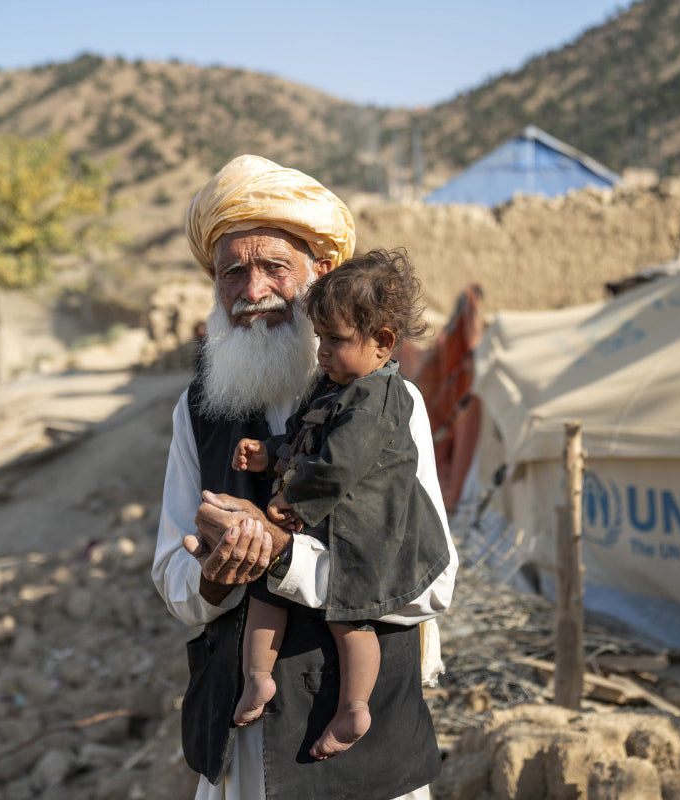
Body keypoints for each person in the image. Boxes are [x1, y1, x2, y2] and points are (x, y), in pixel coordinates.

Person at [150, 154, 458, 800]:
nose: (253, 289)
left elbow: (431, 584)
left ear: (320, 275)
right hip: (243, 759)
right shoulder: (198, 410)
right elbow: (173, 585)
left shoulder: (386, 404)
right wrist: (213, 572)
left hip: (362, 763)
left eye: (273, 267)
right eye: (232, 271)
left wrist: (285, 557)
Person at [230, 249, 450, 762]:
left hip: (366, 536)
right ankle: (258, 679)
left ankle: (355, 709)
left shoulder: (380, 399)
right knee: (267, 592)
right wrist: (271, 457)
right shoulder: (334, 386)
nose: (323, 351)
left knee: (350, 619)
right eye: (320, 338)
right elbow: (309, 442)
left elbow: (338, 464)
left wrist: (292, 500)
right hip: (327, 531)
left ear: (383, 344)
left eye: (336, 340)